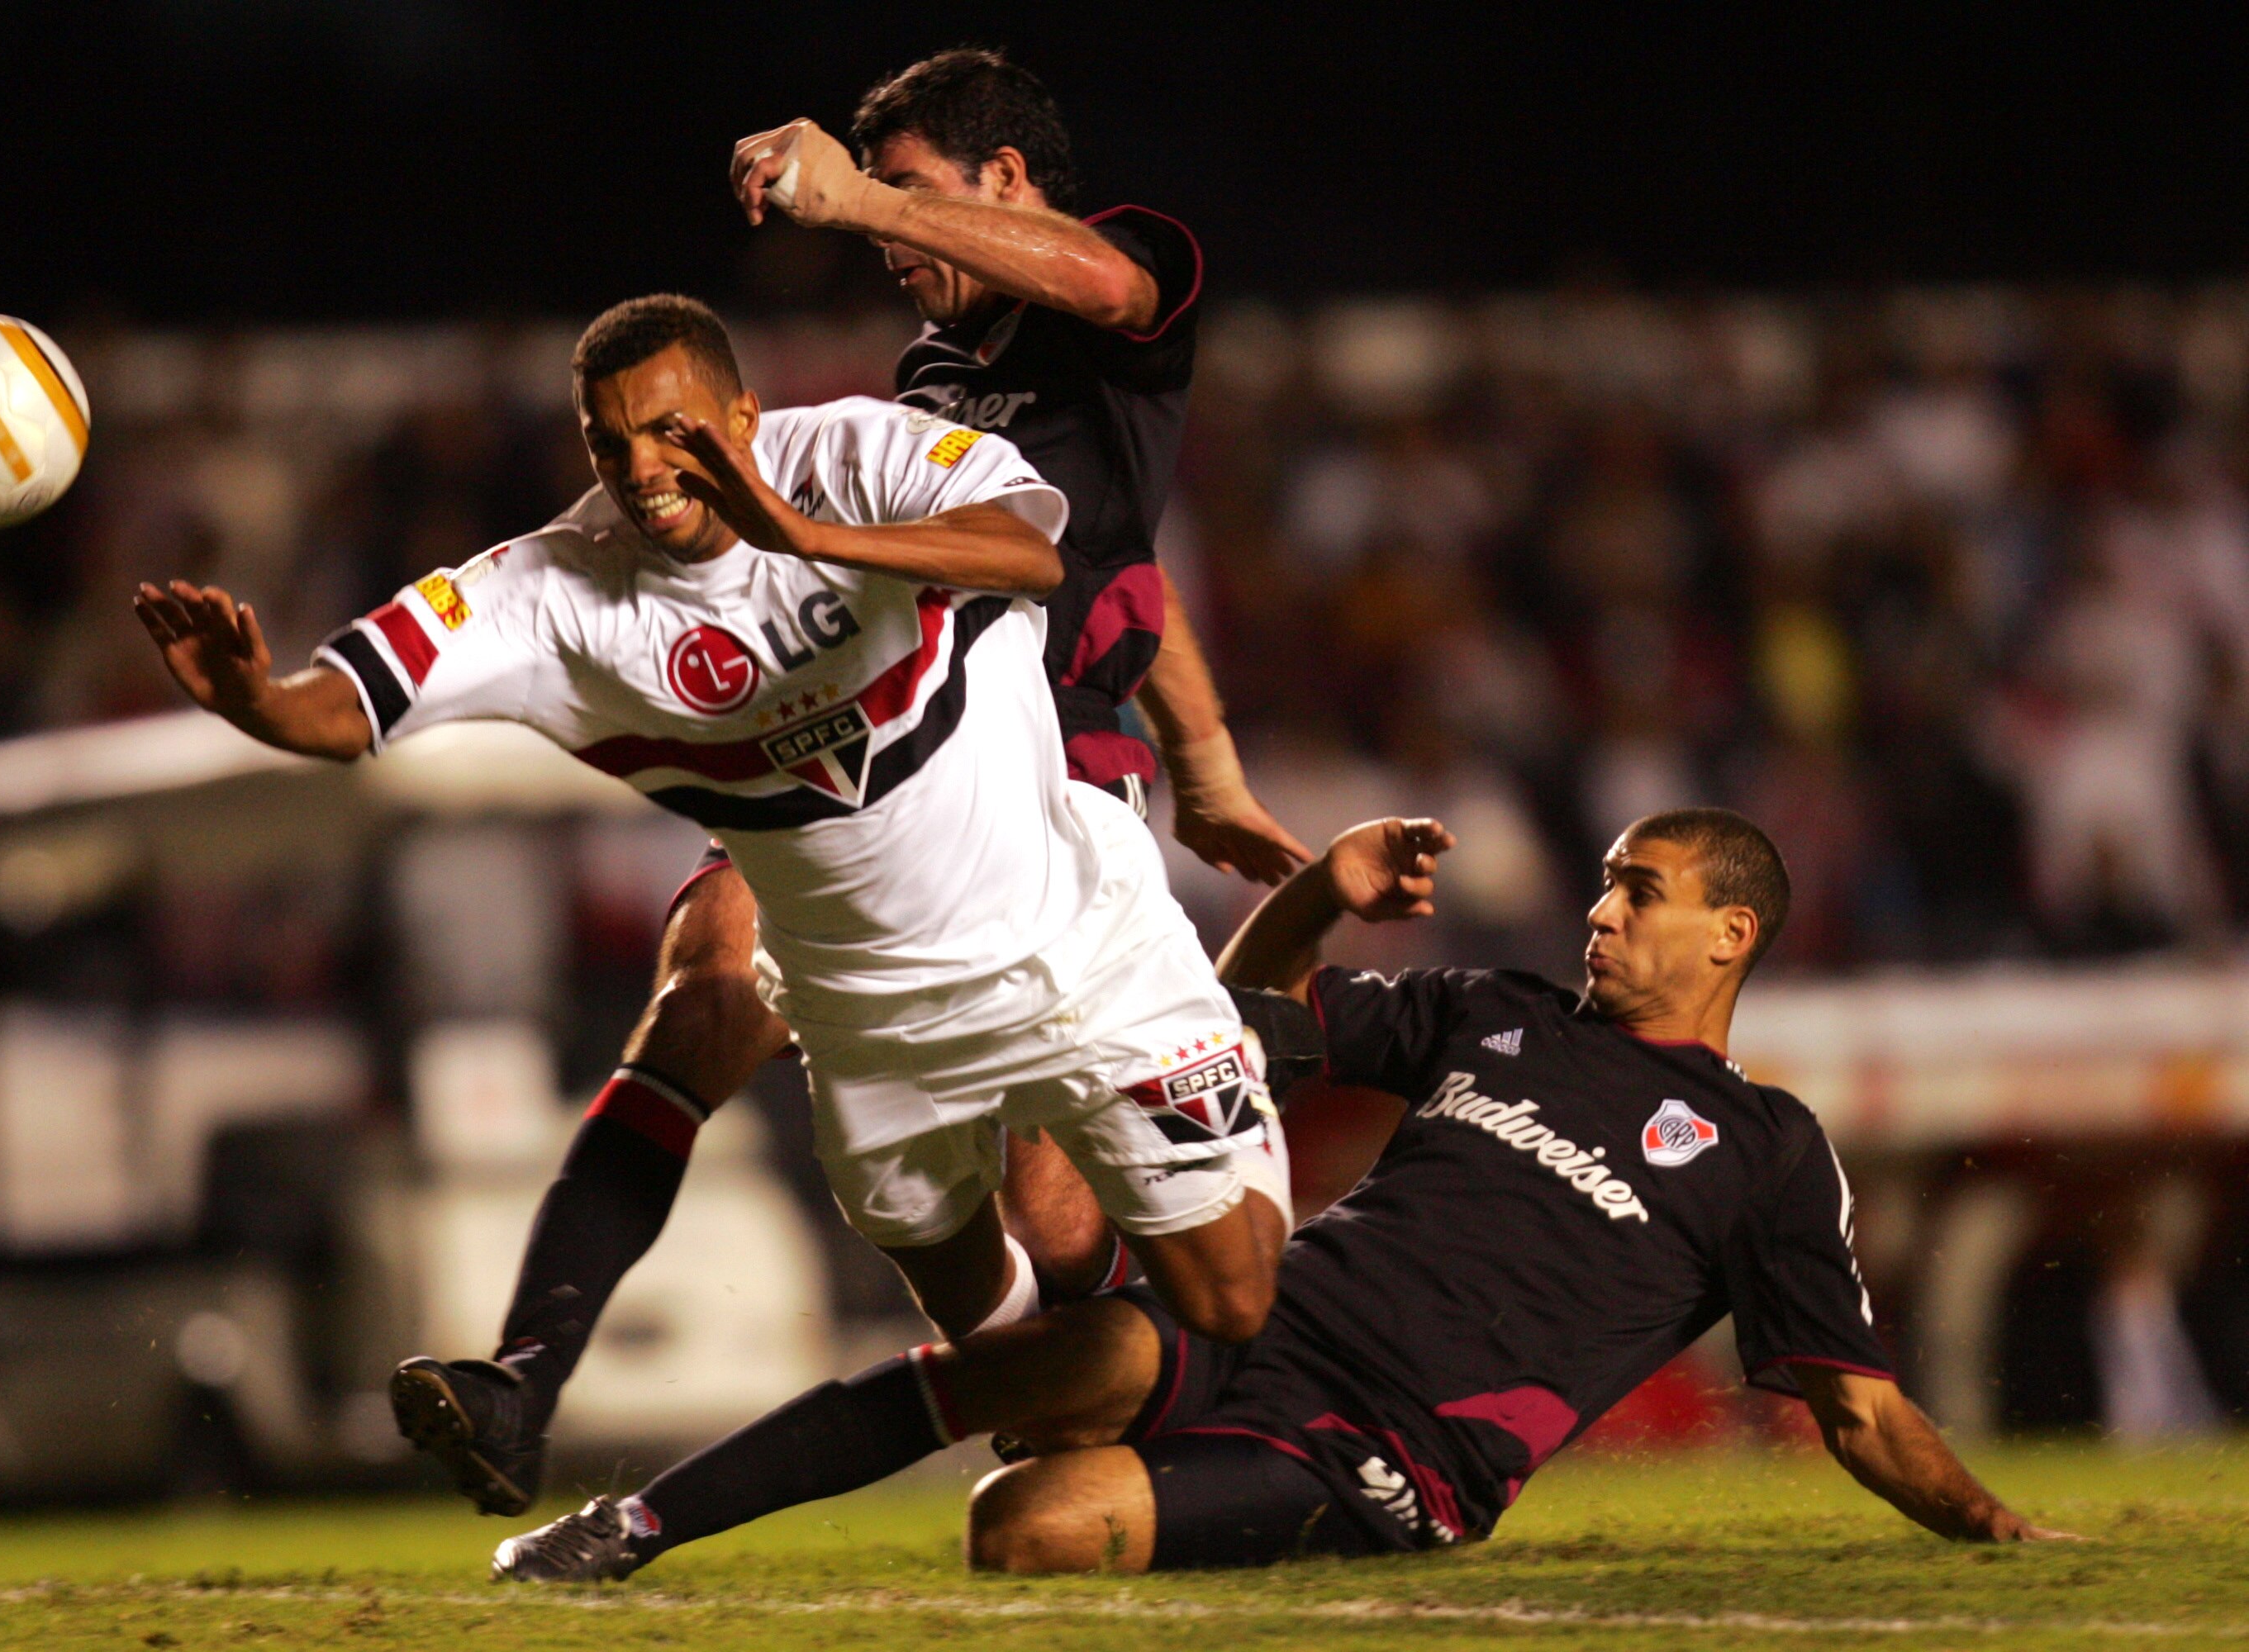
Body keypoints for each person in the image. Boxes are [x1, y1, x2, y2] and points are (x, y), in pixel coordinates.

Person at [134, 294, 1290, 1521]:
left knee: (1232, 1299)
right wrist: (255, 702)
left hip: (1075, 952)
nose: (643, 469)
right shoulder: (553, 593)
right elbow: (346, 701)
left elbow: (1032, 553)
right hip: (873, 1031)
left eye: (674, 431)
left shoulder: (861, 458)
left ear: (746, 413)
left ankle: (1273, 1233)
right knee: (1015, 1359)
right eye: (610, 443)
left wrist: (795, 530)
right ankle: (1131, 1439)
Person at [390, 48, 1309, 1520]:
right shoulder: (937, 380)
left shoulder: (1128, 274)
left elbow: (1106, 352)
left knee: (1059, 1218)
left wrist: (844, 191)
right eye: (875, 204)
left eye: (914, 196)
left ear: (1005, 182)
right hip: (852, 729)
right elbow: (1128, 566)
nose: (887, 235)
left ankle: (1121, 1397)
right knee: (704, 988)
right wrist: (1208, 762)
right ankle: (524, 1380)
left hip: (1035, 759)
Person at [483, 806, 2075, 1583]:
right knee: (1065, 1360)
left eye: (1637, 894)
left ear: (1733, 936)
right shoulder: (1492, 1012)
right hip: (1256, 1332)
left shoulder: (1769, 1147)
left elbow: (1857, 1409)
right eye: (1600, 883)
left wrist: (2001, 1530)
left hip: (1397, 1451)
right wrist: (1322, 893)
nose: (1599, 912)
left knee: (1022, 1527)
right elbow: (1232, 1033)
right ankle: (626, 1526)